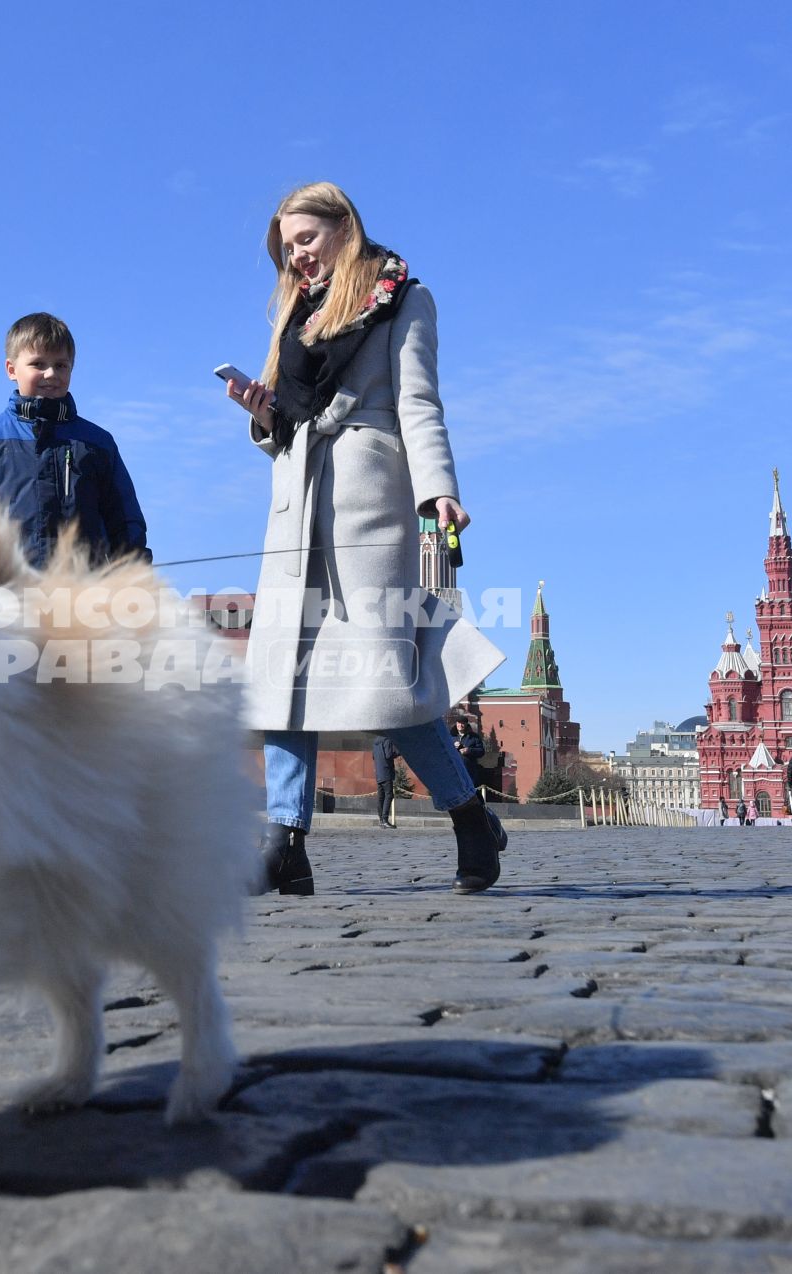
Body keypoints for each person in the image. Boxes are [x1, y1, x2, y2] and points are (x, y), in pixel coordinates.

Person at [226, 182, 503, 896]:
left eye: (307, 240)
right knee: (283, 680)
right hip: (295, 509)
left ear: (345, 227)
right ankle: (285, 839)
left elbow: (419, 403)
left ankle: (469, 814)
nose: (298, 258)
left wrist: (438, 488)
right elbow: (287, 420)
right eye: (287, 250)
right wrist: (262, 415)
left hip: (368, 508)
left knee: (387, 682)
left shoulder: (404, 299)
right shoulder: (295, 313)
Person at [0, 312, 147, 568]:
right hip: (8, 593)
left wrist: (133, 579)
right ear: (11, 370)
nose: (50, 374)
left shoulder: (98, 443)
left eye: (60, 365)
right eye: (38, 364)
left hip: (84, 592)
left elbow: (124, 522)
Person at [371, 733, 400, 828]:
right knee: (389, 795)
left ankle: (381, 820)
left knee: (381, 796)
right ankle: (384, 819)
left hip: (379, 772)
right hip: (386, 771)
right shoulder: (387, 739)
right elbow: (388, 755)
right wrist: (398, 751)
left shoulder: (375, 741)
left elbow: (373, 757)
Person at [454, 718, 487, 792]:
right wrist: (453, 747)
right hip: (454, 772)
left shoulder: (474, 737)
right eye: (459, 723)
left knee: (470, 793)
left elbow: (481, 751)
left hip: (469, 772)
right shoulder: (451, 737)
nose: (460, 725)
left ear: (466, 724)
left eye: (462, 723)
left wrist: (469, 751)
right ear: (456, 724)